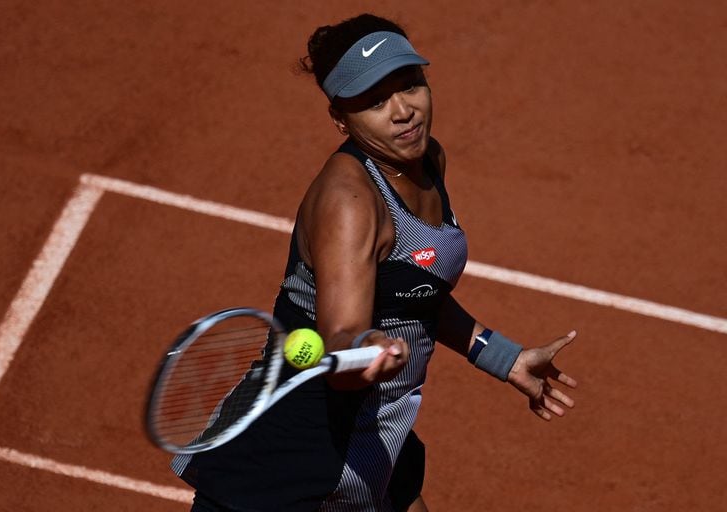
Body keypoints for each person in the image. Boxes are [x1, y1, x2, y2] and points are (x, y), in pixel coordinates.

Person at [172, 13, 579, 512]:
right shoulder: (351, 203)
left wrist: (502, 356)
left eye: (410, 85)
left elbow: (415, 292)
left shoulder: (428, 160)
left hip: (378, 430)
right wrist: (364, 351)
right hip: (295, 460)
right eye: (374, 101)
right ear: (341, 119)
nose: (403, 111)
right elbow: (340, 341)